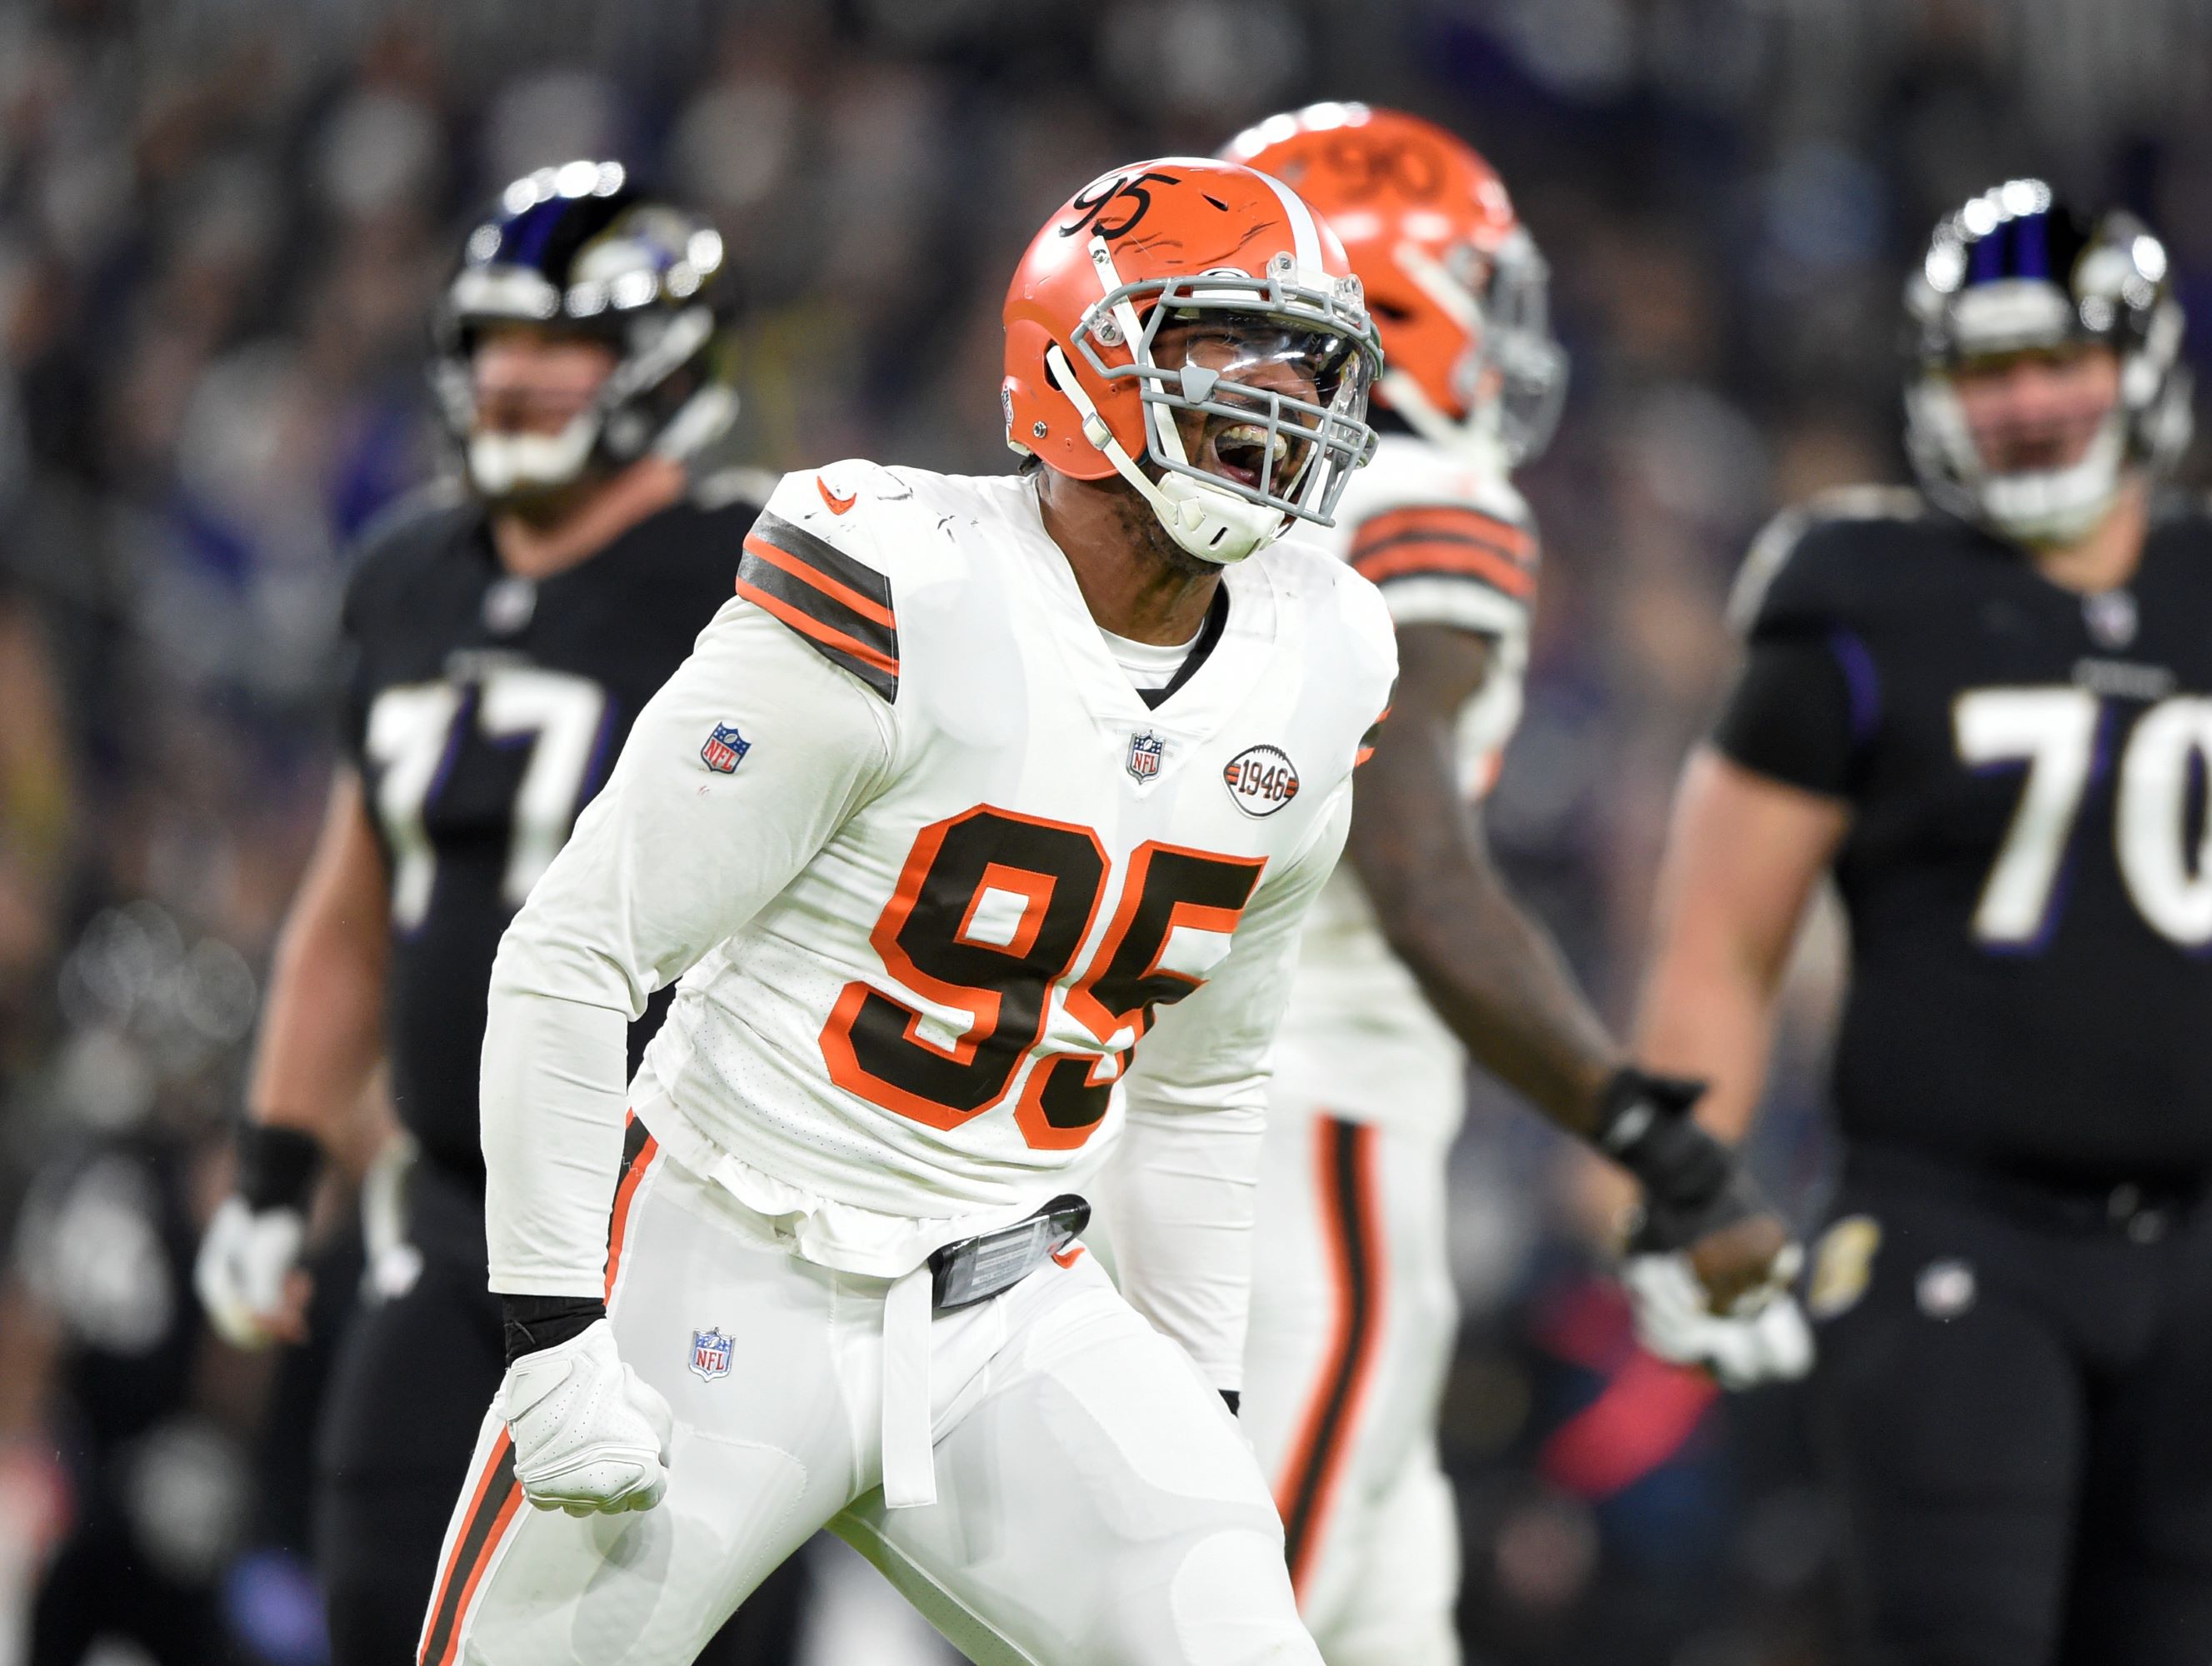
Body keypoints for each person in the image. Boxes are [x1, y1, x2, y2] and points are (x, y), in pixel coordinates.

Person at [410, 155, 1399, 1666]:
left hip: (1009, 1292)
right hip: (730, 1246)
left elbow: (1205, 1080)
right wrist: (551, 1334)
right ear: (1081, 365)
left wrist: (1187, 1406)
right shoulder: (905, 580)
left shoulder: (1317, 655)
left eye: (1300, 357)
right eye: (1224, 350)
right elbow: (573, 953)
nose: (1280, 399)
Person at [1634, 179, 2212, 1666]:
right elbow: (1722, 934)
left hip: (2199, 1253)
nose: (2028, 401)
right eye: (1988, 368)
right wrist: (1686, 1172)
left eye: (2059, 360)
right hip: (1941, 1233)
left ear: (2143, 365)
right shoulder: (1857, 595)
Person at [189, 162, 807, 1664]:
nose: (517, 380)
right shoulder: (406, 574)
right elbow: (356, 895)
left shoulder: (764, 576)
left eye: (562, 346)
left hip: (675, 1230)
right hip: (450, 1210)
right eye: (495, 343)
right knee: (383, 1612)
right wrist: (277, 1162)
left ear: (660, 361)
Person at [1216, 104, 1809, 1666]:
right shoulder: (1420, 494)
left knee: (1385, 1617)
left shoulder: (1213, 510)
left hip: (1208, 1112)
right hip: (1317, 1124)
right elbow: (1420, 874)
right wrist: (1655, 1142)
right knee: (1232, 1627)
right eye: (1472, 281)